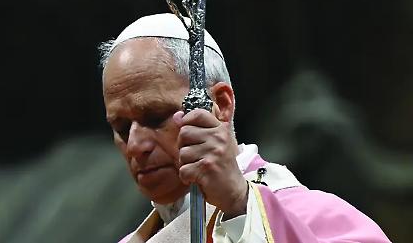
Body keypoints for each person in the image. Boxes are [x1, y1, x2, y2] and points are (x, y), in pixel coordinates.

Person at [100, 14, 391, 242]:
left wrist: (238, 203)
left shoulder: (318, 219)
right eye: (122, 127)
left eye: (155, 117)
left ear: (221, 105)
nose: (136, 145)